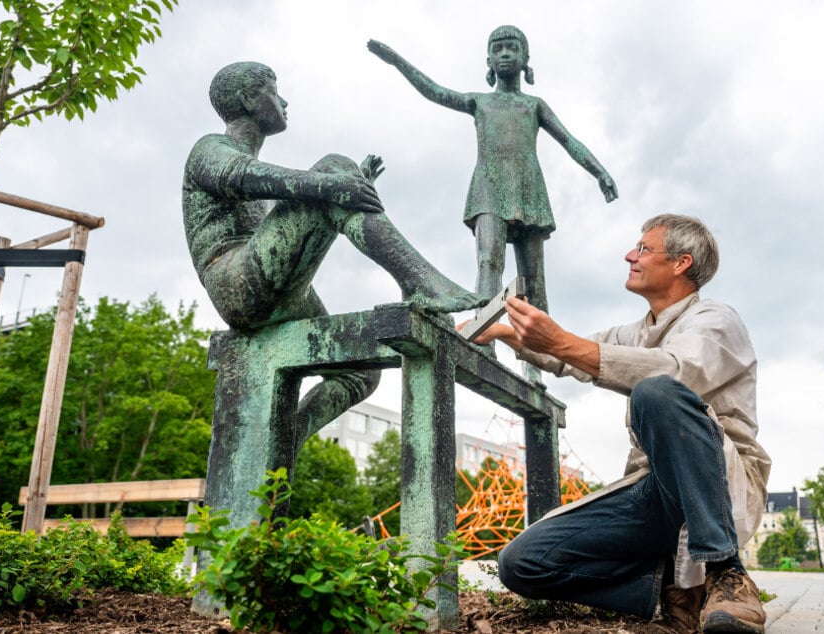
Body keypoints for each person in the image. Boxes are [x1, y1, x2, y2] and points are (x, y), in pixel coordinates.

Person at [470, 214, 771, 633]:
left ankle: (726, 574)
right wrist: (506, 333)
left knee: (656, 391)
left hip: (719, 482)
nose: (631, 255)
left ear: (682, 263)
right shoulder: (636, 332)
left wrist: (561, 341)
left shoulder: (717, 320)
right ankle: (671, 589)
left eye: (644, 249)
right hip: (654, 491)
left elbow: (674, 371)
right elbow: (571, 354)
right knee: (521, 563)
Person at [183, 61, 483, 447]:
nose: (284, 101)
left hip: (278, 291)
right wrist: (332, 183)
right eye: (275, 91)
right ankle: (418, 282)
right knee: (333, 169)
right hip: (235, 283)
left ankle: (283, 444)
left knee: (358, 372)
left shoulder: (247, 169)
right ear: (247, 99)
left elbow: (289, 224)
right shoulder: (210, 149)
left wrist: (349, 188)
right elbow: (241, 176)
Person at [368, 26, 617, 317]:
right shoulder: (479, 102)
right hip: (487, 190)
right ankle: (484, 343)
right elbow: (434, 91)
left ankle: (535, 358)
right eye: (497, 50)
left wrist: (600, 172)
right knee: (488, 262)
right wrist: (397, 61)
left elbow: (569, 141)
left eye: (512, 48)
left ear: (525, 58)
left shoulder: (534, 105)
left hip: (528, 190)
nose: (506, 54)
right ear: (488, 61)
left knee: (534, 281)